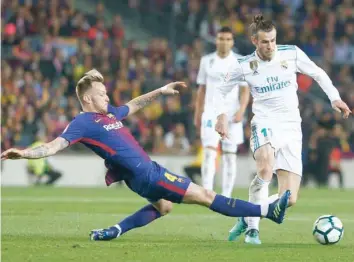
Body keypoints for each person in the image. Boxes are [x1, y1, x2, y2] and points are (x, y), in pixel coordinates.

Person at [1, 69, 291, 241]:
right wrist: (24, 154)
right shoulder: (82, 123)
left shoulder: (109, 114)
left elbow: (134, 104)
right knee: (204, 195)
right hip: (147, 174)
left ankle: (116, 230)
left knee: (164, 208)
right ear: (88, 98)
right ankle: (267, 211)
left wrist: (160, 90)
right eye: (102, 93)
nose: (108, 97)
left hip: (137, 178)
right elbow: (53, 146)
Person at [214, 15, 351, 244]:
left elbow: (317, 72)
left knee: (290, 198)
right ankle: (252, 231)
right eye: (265, 42)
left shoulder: (292, 53)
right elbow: (221, 90)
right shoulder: (245, 65)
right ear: (255, 41)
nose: (270, 46)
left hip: (291, 128)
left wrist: (334, 98)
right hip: (265, 123)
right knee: (266, 168)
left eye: (273, 40)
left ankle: (248, 215)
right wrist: (221, 117)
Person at [194, 26, 250, 198]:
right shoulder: (207, 61)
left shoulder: (240, 62)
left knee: (230, 155)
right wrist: (198, 112)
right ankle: (207, 192)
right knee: (209, 152)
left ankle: (226, 195)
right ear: (216, 40)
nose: (224, 42)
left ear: (232, 42)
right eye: (221, 38)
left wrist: (241, 110)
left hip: (232, 113)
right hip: (211, 112)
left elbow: (245, 90)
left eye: (227, 39)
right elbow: (201, 89)